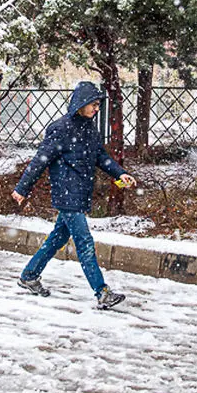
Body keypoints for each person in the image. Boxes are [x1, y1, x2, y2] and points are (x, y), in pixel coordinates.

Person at [12, 81, 137, 308]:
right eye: (93, 104)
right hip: (66, 193)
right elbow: (40, 161)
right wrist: (22, 188)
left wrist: (121, 174)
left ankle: (29, 275)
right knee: (84, 242)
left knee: (58, 238)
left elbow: (102, 158)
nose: (96, 109)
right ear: (81, 103)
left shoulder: (90, 129)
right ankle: (102, 292)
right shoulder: (60, 129)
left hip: (80, 193)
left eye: (98, 105)